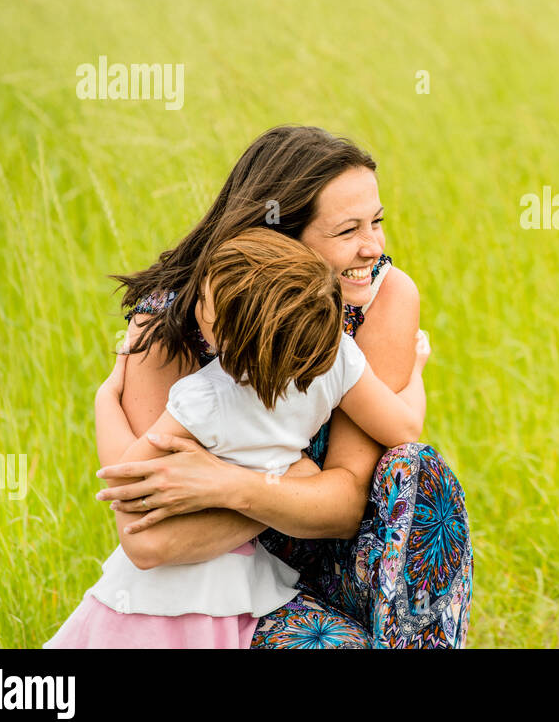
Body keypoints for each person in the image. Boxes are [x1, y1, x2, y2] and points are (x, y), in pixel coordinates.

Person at [92, 125, 471, 648]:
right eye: (347, 232)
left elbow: (345, 506)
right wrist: (296, 480)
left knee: (419, 472)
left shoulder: (379, 298)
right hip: (223, 585)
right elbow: (149, 539)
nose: (374, 248)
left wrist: (230, 484)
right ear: (275, 240)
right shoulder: (172, 326)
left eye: (377, 222)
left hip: (340, 562)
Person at [48, 229, 433, 647]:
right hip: (240, 581)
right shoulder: (338, 359)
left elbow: (128, 474)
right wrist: (414, 374)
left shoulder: (207, 395)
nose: (196, 304)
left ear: (228, 337)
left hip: (164, 589)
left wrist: (106, 399)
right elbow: (406, 427)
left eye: (205, 302)